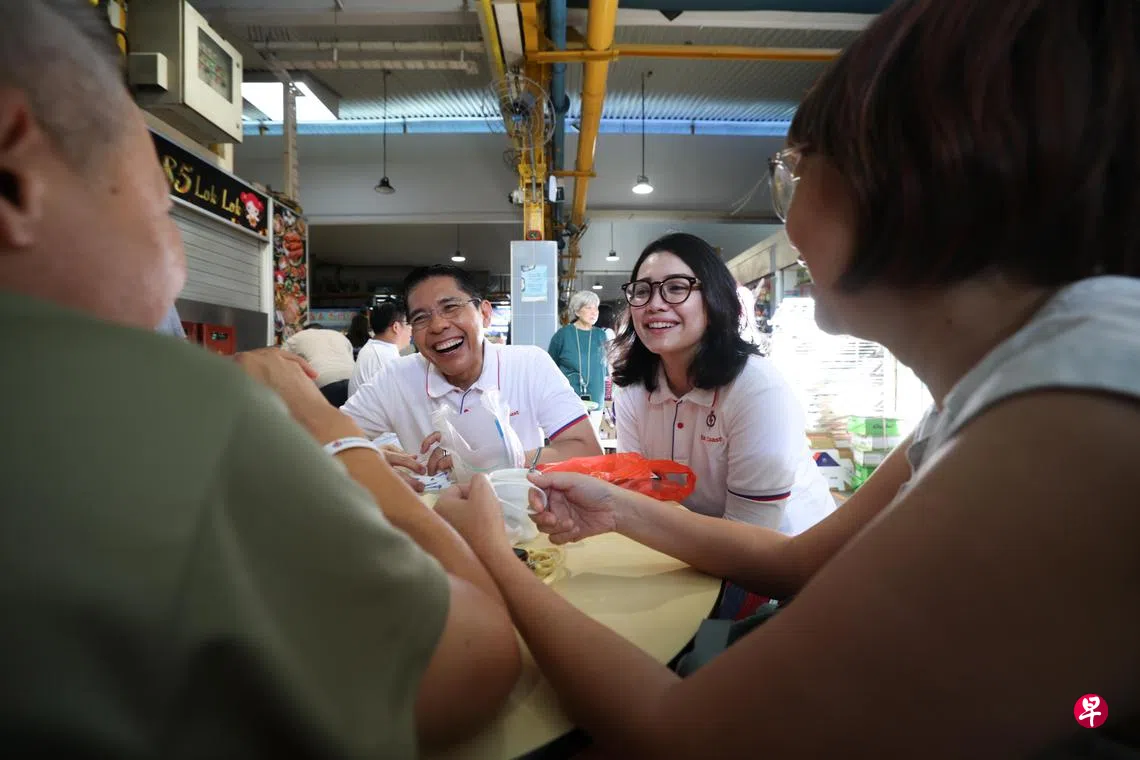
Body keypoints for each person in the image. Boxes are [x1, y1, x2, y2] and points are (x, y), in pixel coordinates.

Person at [433, 0, 1140, 756]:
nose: (790, 216)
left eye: (797, 172)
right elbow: (801, 565)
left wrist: (496, 564)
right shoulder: (991, 394)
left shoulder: (1078, 402)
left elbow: (685, 736)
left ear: (908, 178)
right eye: (642, 292)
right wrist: (615, 507)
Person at [0, 2, 519, 756]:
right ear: (15, 177)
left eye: (453, 310)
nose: (176, 238)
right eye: (158, 192)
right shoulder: (171, 410)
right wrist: (327, 429)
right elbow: (476, 658)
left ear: (479, 316)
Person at [611, 232, 835, 534]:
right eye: (642, 291)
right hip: (701, 546)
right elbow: (639, 492)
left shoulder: (756, 389)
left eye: (676, 288)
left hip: (791, 548)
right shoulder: (633, 388)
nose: (654, 304)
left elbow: (752, 537)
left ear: (714, 298)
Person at [341, 265, 602, 489]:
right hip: (435, 522)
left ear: (485, 314)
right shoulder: (396, 378)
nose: (438, 325)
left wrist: (500, 460)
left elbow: (588, 452)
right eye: (421, 318)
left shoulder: (529, 365)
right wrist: (366, 459)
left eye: (451, 307)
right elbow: (326, 440)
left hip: (520, 520)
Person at [547, 289, 607, 404]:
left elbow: (606, 367)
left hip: (596, 397)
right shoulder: (563, 335)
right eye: (589, 308)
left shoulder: (601, 335)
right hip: (568, 397)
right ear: (577, 311)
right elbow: (550, 367)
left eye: (596, 308)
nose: (594, 312)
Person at [283, 322, 356, 407]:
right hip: (353, 380)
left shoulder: (298, 336)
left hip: (324, 381)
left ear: (305, 330)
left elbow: (280, 359)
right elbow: (350, 357)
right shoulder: (339, 335)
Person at [348, 300, 410, 397]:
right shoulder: (385, 357)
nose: (411, 329)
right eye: (408, 324)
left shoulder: (376, 348)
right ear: (396, 327)